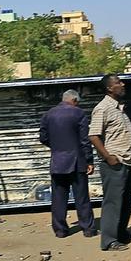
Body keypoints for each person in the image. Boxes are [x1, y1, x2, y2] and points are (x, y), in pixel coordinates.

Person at [37, 88, 97, 238]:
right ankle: (88, 229)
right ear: (74, 100)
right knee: (82, 197)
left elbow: (43, 137)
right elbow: (85, 140)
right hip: (77, 162)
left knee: (58, 198)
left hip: (57, 162)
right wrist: (89, 160)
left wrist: (56, 147)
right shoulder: (79, 113)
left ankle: (60, 230)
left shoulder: (48, 114)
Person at [88, 74, 131, 250]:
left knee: (126, 201)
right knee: (113, 202)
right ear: (109, 88)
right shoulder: (102, 108)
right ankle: (109, 241)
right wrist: (108, 156)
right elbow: (93, 135)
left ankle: (121, 234)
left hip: (128, 161)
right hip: (114, 163)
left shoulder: (119, 108)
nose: (122, 84)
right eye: (118, 82)